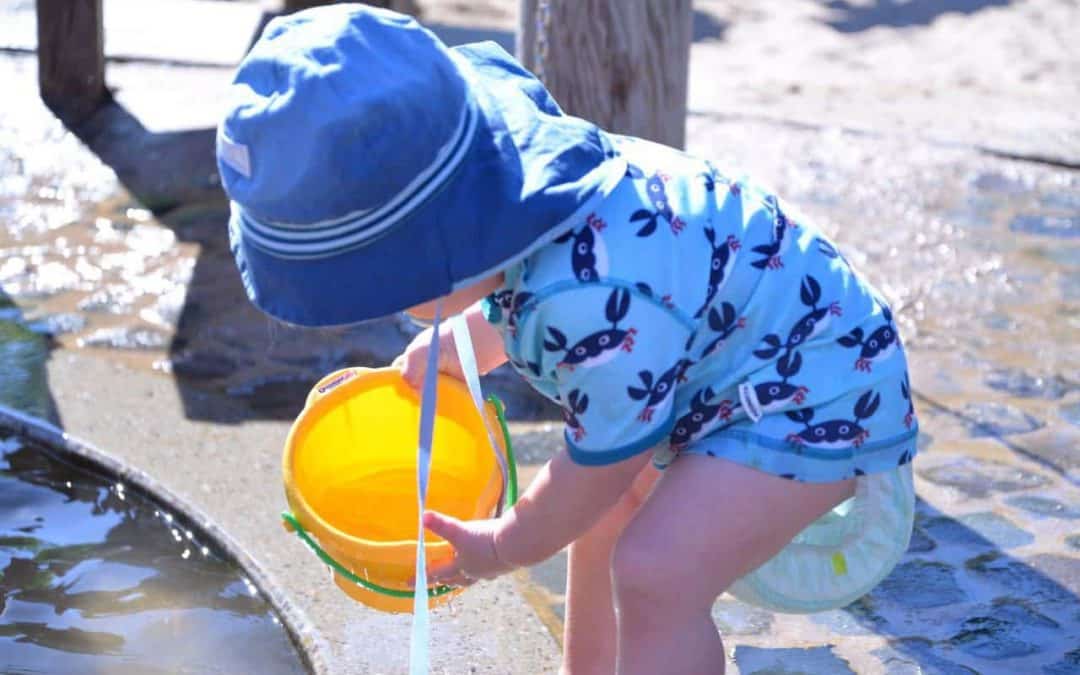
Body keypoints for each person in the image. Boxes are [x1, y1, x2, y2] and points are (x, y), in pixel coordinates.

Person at [216, 6, 918, 674]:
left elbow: (603, 452)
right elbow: (518, 281)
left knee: (656, 569)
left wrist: (506, 541)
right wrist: (467, 342)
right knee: (611, 509)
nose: (395, 311)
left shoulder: (588, 304)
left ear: (446, 245)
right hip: (736, 351)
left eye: (392, 289)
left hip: (814, 385)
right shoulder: (530, 205)